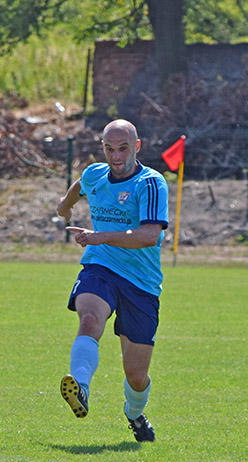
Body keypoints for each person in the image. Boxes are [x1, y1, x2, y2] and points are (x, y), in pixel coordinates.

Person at [56, 119, 168, 442]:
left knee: (136, 375)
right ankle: (80, 387)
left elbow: (149, 236)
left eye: (122, 148)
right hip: (101, 267)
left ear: (137, 147)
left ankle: (134, 414)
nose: (116, 156)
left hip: (141, 283)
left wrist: (98, 235)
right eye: (109, 149)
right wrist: (65, 206)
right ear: (102, 148)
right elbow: (80, 186)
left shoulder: (150, 183)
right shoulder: (95, 174)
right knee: (89, 318)